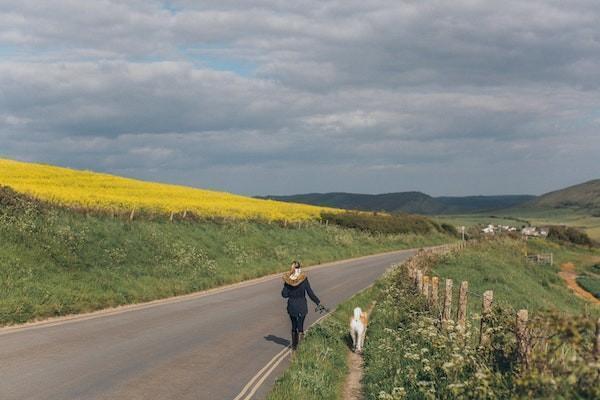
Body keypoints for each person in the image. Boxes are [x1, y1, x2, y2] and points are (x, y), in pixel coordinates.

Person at [281, 260, 323, 350]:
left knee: (294, 326)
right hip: (302, 306)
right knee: (300, 326)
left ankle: (294, 346)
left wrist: (286, 286)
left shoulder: (288, 280)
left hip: (292, 306)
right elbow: (310, 293)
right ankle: (301, 347)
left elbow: (284, 295)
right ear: (299, 268)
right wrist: (318, 302)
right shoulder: (304, 279)